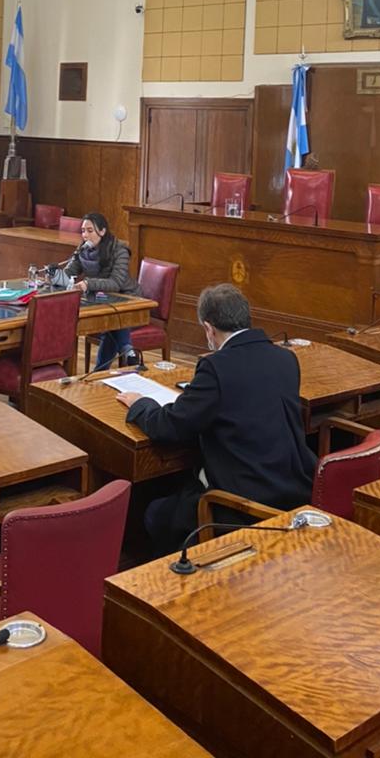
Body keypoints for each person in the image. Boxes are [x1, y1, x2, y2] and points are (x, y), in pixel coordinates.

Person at [116, 284, 316, 555]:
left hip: (243, 502)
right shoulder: (286, 359)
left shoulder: (216, 367)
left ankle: (172, 575)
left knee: (155, 513)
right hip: (294, 489)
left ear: (209, 329)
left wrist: (141, 404)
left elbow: (170, 426)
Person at [64, 213, 142, 369]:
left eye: (90, 231)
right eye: (83, 231)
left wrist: (88, 283)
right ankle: (127, 351)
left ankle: (101, 370)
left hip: (127, 298)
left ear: (102, 231)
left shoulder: (119, 250)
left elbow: (116, 283)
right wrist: (56, 275)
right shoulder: (83, 250)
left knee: (112, 324)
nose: (85, 235)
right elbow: (69, 272)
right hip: (102, 298)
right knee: (111, 323)